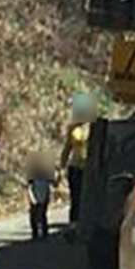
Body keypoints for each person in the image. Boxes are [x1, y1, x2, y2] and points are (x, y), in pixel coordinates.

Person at [60, 93, 96, 226]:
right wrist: (61, 165)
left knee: (87, 197)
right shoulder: (72, 128)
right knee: (75, 196)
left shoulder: (94, 127)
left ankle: (86, 223)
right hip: (75, 166)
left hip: (89, 167)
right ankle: (74, 223)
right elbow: (67, 147)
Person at [26, 154, 57, 241]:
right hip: (35, 196)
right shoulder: (32, 178)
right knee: (34, 214)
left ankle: (44, 232)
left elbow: (54, 184)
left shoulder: (46, 177)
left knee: (43, 214)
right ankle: (35, 232)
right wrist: (31, 197)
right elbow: (29, 187)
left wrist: (57, 174)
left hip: (44, 196)